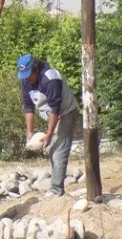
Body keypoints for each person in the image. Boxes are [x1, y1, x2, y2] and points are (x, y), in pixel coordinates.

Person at [16, 53, 78, 197]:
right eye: (23, 75)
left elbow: (55, 108)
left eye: (28, 74)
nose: (26, 78)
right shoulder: (25, 80)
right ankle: (57, 186)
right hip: (50, 114)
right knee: (52, 150)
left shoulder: (50, 78)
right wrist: (29, 132)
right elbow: (28, 106)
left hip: (65, 113)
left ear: (35, 69)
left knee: (58, 152)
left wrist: (49, 133)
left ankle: (56, 190)